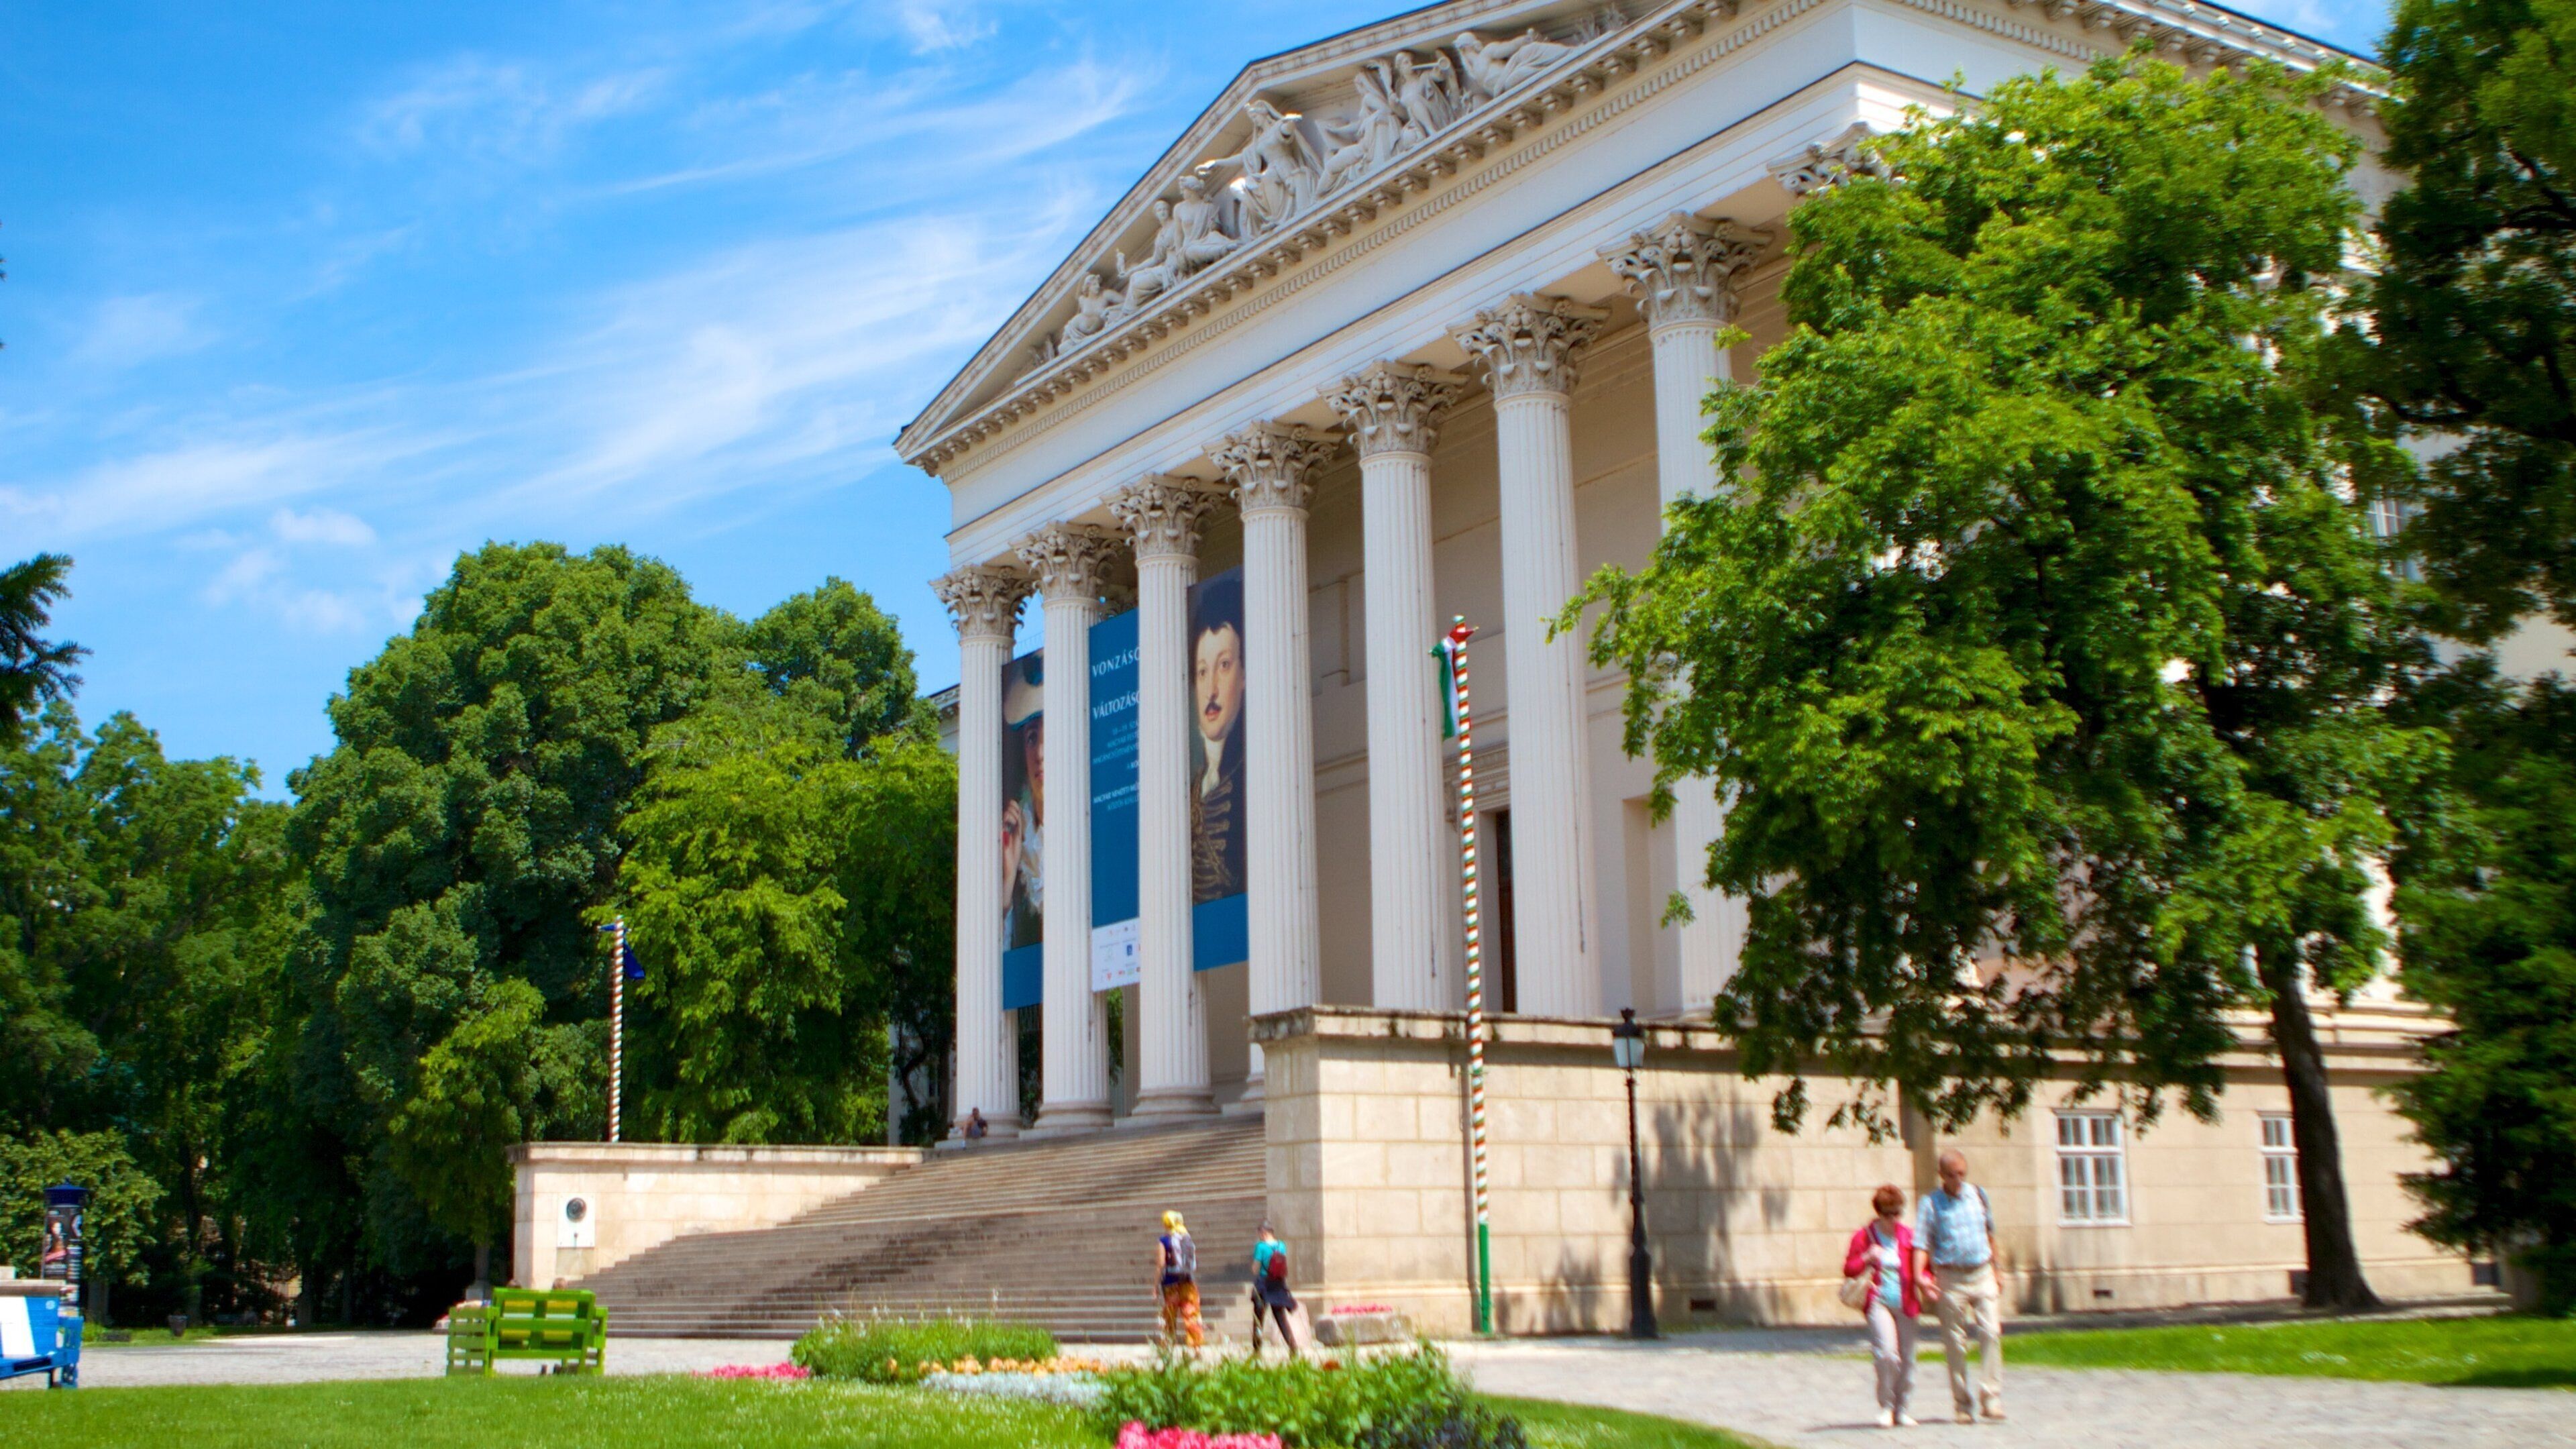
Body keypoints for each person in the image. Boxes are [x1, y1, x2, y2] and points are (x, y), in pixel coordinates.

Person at [1915, 1148, 2004, 1424]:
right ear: (1941, 1175)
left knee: (1991, 1331)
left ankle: (1991, 1398)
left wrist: (1998, 1270)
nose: (1958, 1180)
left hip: (1982, 1272)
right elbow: (1921, 1242)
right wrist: (1920, 1275)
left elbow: (1990, 1233)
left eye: (1962, 1174)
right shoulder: (1931, 1203)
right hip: (1951, 1277)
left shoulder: (1978, 1195)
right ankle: (1962, 1404)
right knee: (1955, 1342)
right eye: (1952, 1175)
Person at [1844, 1184, 1932, 1430]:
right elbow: (1849, 1269)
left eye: (1897, 1212)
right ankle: (1886, 1406)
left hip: (1906, 1302)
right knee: (1887, 1354)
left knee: (1908, 1358)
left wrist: (1926, 1281)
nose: (1894, 1218)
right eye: (1888, 1213)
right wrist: (1866, 1257)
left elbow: (1924, 1267)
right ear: (1879, 1212)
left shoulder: (1908, 1236)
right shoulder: (1864, 1237)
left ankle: (1902, 1409)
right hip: (1879, 1301)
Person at [1187, 575, 1246, 902]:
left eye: (1224, 665)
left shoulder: (1248, 776)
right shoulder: (1193, 786)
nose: (1210, 690)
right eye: (1202, 671)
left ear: (1244, 674)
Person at [1154, 1210, 1203, 1349]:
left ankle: (1168, 1346)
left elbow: (1161, 1264)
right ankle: (1196, 1347)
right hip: (1188, 1282)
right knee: (1191, 1314)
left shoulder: (1164, 1241)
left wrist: (1155, 1286)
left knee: (1169, 1316)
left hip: (1170, 1282)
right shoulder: (1187, 1239)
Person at [1249, 1222, 1300, 1357]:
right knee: (1281, 1317)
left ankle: (1257, 1348)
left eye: (1260, 1234)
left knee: (1259, 1317)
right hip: (1278, 1284)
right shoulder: (1281, 1245)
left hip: (1264, 1284)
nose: (1259, 1236)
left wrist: (1255, 1270)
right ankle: (1293, 1346)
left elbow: (1256, 1267)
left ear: (1264, 1233)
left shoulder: (1260, 1246)